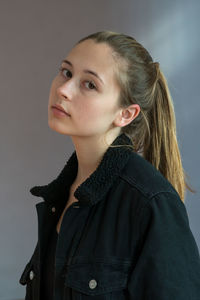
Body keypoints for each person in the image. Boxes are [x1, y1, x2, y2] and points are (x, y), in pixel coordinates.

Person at [19, 30, 200, 299]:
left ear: (125, 114)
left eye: (89, 84)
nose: (62, 89)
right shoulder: (61, 195)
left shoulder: (149, 202)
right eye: (67, 73)